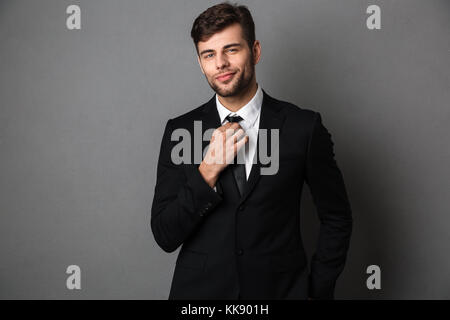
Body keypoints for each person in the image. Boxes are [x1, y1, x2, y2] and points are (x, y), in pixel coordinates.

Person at [151, 2, 353, 300]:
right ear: (200, 62)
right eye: (209, 54)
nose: (220, 63)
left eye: (231, 50)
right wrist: (206, 171)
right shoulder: (180, 131)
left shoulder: (303, 127)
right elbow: (165, 234)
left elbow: (337, 217)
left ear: (255, 51)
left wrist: (316, 292)